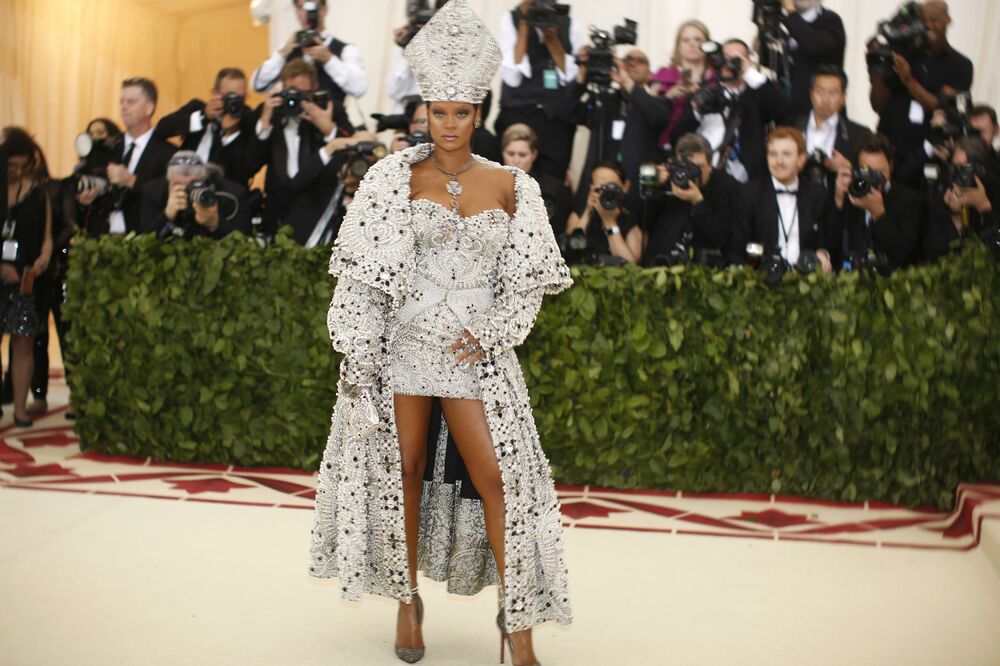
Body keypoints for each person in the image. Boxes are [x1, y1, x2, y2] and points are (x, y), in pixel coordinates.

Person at [308, 4, 573, 666]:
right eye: (438, 111)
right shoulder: (391, 178)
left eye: (461, 112)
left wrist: (497, 329)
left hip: (471, 354)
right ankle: (407, 604)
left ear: (477, 113)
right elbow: (363, 276)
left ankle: (517, 626)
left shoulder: (512, 184)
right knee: (404, 468)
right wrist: (359, 357)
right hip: (402, 347)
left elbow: (528, 280)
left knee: (498, 477)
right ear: (422, 111)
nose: (449, 124)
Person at [246, 59, 356, 244]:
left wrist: (328, 128)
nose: (294, 100)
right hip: (277, 214)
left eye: (302, 93)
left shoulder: (330, 109)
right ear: (281, 89)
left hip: (317, 214)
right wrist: (265, 123)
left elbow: (352, 150)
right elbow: (250, 164)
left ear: (315, 89)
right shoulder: (269, 112)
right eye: (291, 92)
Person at [869, 0, 973, 188]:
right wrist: (876, 69)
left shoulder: (961, 66)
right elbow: (878, 105)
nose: (929, 25)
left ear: (948, 20)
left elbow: (939, 105)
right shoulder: (901, 54)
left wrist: (908, 80)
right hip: (889, 150)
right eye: (924, 20)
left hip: (928, 157)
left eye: (934, 20)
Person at [567, 47, 672, 221]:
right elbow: (570, 113)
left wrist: (628, 83)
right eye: (627, 59)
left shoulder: (659, 103)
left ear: (650, 74)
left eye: (640, 61)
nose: (632, 63)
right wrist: (582, 75)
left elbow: (656, 118)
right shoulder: (604, 99)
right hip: (595, 189)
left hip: (633, 193)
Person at [676, 38, 791, 184]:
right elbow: (678, 137)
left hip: (747, 180)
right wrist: (696, 111)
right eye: (724, 58)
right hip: (707, 176)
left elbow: (784, 111)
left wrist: (749, 72)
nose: (728, 64)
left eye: (734, 59)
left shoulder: (758, 95)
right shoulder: (706, 93)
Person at [495, 0, 585, 181]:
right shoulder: (510, 19)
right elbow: (511, 77)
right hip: (518, 114)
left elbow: (571, 77)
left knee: (552, 181)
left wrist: (552, 38)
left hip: (556, 122)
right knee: (511, 179)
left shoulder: (569, 23)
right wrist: (524, 24)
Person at [75, 78, 176, 237]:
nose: (124, 107)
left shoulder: (167, 152)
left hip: (143, 240)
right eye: (121, 101)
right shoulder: (106, 147)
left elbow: (167, 197)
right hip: (101, 238)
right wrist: (85, 201)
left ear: (149, 108)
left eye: (131, 102)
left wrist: (132, 181)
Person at [1, 129, 53, 427]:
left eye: (22, 166)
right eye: (11, 166)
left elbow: (46, 235)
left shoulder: (38, 192)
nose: (17, 172)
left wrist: (45, 257)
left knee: (23, 342)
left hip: (26, 278)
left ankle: (20, 409)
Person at [734, 127, 833, 272]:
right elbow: (737, 248)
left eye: (786, 154)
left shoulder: (817, 194)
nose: (779, 161)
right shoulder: (749, 193)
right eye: (773, 154)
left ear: (801, 159)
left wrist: (823, 255)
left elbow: (825, 242)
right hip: (762, 282)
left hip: (807, 282)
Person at [828, 133, 925, 271]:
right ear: (855, 170)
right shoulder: (851, 195)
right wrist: (838, 199)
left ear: (891, 165)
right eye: (867, 172)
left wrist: (879, 213)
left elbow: (905, 254)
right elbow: (831, 245)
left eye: (880, 172)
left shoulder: (910, 200)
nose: (874, 179)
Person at [643, 133, 742, 267]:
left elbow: (725, 238)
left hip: (704, 268)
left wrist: (698, 202)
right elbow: (645, 224)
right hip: (662, 263)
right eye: (685, 167)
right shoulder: (670, 180)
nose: (692, 173)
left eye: (698, 167)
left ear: (710, 166)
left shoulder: (727, 187)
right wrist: (653, 186)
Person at [251, 0, 368, 105]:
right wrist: (281, 55)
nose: (306, 13)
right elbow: (257, 85)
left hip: (329, 124)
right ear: (296, 12)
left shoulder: (345, 50)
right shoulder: (287, 49)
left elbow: (359, 89)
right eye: (301, 7)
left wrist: (330, 60)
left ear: (324, 9)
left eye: (311, 6)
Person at [155, 68, 257, 185]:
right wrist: (203, 117)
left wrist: (230, 133)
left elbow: (246, 170)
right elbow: (162, 128)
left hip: (224, 190)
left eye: (240, 98)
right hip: (184, 182)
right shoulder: (197, 108)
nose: (235, 103)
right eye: (230, 97)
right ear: (214, 94)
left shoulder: (248, 119)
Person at [138, 151, 252, 240]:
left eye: (192, 184)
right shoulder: (153, 191)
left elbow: (245, 242)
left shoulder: (232, 194)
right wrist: (166, 215)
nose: (185, 190)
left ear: (204, 181)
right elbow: (143, 241)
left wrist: (215, 224)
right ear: (168, 182)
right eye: (177, 184)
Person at [793, 66, 871, 195]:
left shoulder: (859, 134)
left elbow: (868, 183)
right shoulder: (792, 126)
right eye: (820, 91)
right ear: (811, 94)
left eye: (832, 93)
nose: (825, 99)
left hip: (839, 206)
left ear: (843, 98)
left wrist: (851, 168)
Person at [923, 135, 999, 261]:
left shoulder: (994, 190)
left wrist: (984, 207)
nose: (963, 176)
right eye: (957, 168)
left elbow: (993, 252)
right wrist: (956, 217)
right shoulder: (945, 192)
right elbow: (933, 252)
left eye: (967, 169)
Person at [649, 20, 714, 151]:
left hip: (709, 142)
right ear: (678, 45)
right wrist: (669, 96)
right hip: (667, 145)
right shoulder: (664, 74)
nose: (692, 44)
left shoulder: (716, 77)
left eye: (698, 39)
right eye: (686, 40)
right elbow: (649, 111)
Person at [563, 161, 644, 265]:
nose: (606, 194)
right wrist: (587, 212)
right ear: (591, 187)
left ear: (624, 187)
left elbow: (629, 266)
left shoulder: (631, 223)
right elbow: (568, 251)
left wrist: (610, 223)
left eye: (611, 188)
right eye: (600, 189)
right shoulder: (578, 216)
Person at [501, 122, 571, 236]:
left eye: (522, 155)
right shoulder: (490, 186)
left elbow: (558, 233)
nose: (516, 160)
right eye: (510, 153)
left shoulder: (553, 189)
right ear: (503, 152)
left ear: (534, 155)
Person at [781, 0, 847, 117]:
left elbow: (813, 45)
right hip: (789, 112)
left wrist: (791, 13)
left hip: (821, 112)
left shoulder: (831, 20)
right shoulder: (784, 22)